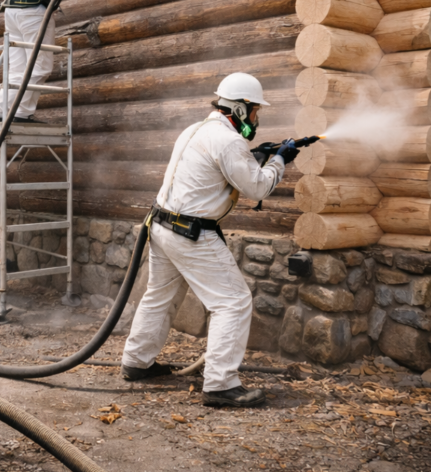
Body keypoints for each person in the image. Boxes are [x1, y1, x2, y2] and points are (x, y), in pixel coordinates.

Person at [120, 72, 300, 408]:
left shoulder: (197, 129)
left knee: (160, 297)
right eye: (256, 111)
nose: (258, 118)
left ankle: (136, 362)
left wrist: (256, 157)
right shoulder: (229, 141)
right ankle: (220, 385)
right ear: (242, 110)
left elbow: (218, 171)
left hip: (162, 224)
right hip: (190, 232)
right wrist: (279, 160)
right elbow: (258, 187)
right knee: (233, 302)